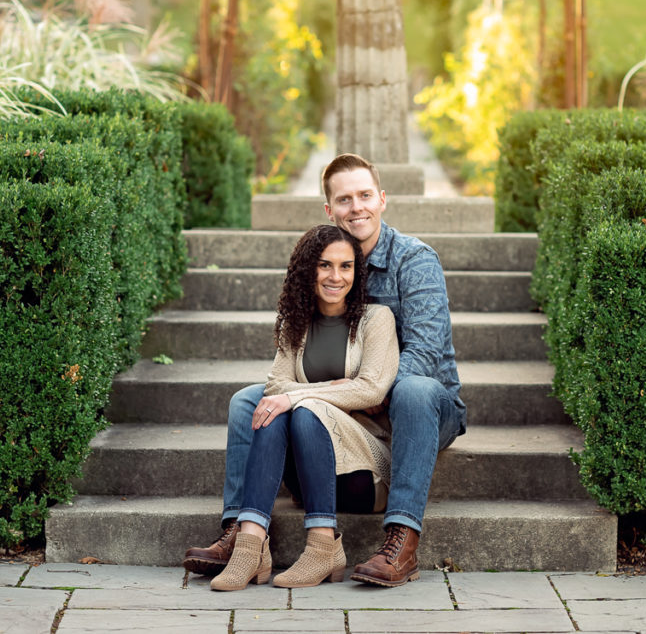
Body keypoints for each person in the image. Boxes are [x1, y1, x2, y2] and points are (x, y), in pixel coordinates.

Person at [185, 153, 465, 588]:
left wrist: (360, 395)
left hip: (423, 408)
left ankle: (401, 540)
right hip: (344, 405)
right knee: (248, 400)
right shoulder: (324, 259)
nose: (357, 207)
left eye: (366, 195)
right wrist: (335, 398)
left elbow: (425, 354)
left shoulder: (415, 260)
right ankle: (239, 531)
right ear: (329, 209)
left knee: (412, 388)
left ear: (383, 199)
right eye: (345, 199)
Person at [205, 224, 399, 591]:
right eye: (325, 265)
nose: (335, 276)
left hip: (363, 472)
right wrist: (335, 389)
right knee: (263, 405)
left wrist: (303, 396)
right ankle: (250, 544)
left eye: (346, 266)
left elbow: (372, 389)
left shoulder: (377, 319)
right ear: (307, 269)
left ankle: (324, 545)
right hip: (306, 473)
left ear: (357, 273)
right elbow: (276, 385)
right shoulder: (297, 323)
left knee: (304, 409)